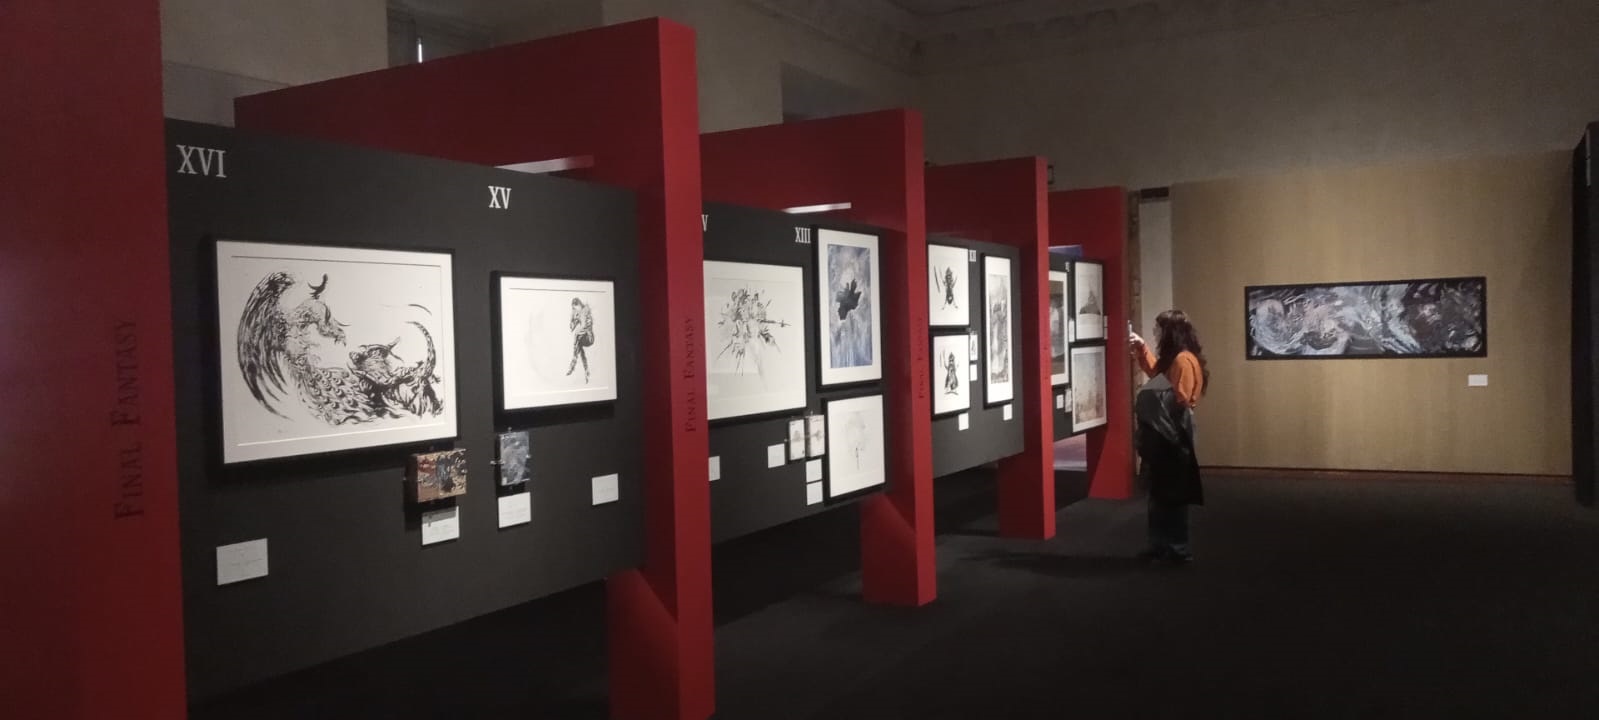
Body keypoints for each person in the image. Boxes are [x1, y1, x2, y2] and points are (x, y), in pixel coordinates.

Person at [1128, 310, 1209, 565]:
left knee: (1172, 492)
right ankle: (1161, 545)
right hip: (1167, 429)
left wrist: (1150, 401)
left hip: (1172, 430)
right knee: (1162, 490)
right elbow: (1159, 376)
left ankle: (1176, 548)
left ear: (1170, 332)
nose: (1156, 334)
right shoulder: (1178, 358)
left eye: (1159, 329)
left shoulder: (1183, 360)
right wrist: (1142, 348)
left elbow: (1178, 398)